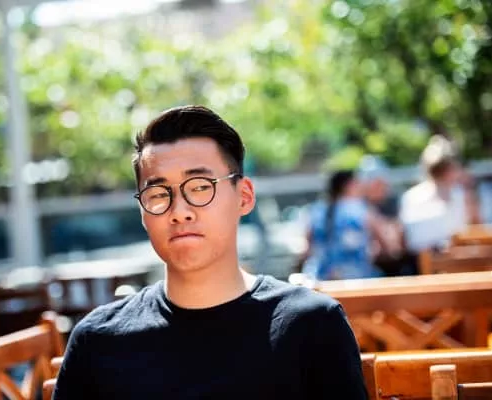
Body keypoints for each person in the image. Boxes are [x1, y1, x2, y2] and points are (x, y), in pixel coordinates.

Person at [53, 105, 367, 399]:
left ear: (244, 196)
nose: (180, 212)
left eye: (200, 186)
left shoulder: (310, 325)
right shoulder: (98, 341)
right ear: (142, 212)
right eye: (158, 193)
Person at [302, 169, 393, 281]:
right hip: (358, 278)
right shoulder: (361, 210)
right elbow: (388, 246)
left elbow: (306, 250)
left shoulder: (315, 211)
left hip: (319, 278)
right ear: (349, 185)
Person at [399, 135, 481, 253]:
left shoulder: (462, 195)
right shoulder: (412, 198)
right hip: (426, 259)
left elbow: (475, 232)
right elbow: (410, 241)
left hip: (457, 257)